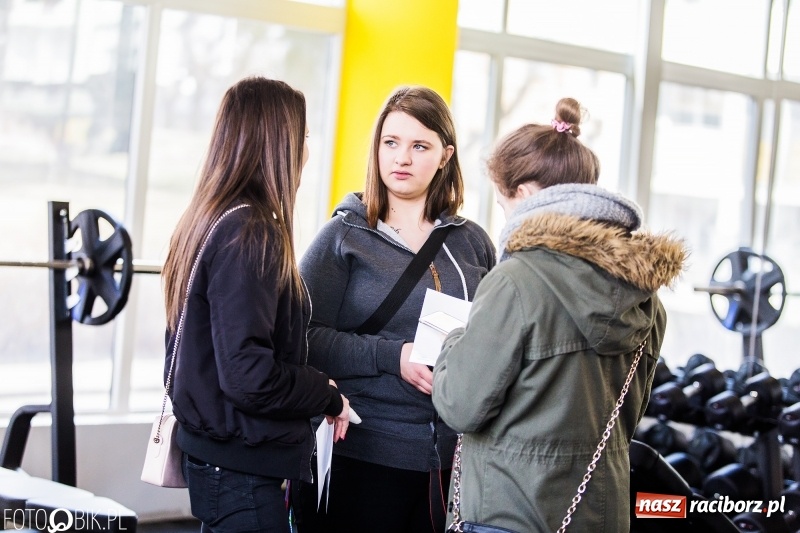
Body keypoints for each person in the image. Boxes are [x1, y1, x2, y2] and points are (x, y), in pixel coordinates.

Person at [431, 97, 688, 532]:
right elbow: (624, 416)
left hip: (509, 512)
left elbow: (461, 405)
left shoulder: (516, 281)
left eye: (503, 202)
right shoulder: (646, 296)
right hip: (599, 515)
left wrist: (453, 341)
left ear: (526, 195)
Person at [294, 86, 496, 533]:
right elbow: (301, 337)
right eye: (391, 143)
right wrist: (393, 356)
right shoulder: (344, 235)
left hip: (449, 461)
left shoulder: (473, 243)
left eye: (419, 145)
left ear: (445, 156)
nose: (401, 158)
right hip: (361, 449)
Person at [161, 76, 350, 533]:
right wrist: (325, 393)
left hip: (219, 460)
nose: (308, 151)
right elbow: (248, 375)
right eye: (304, 137)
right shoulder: (250, 232)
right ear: (279, 143)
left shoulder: (211, 217)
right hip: (239, 470)